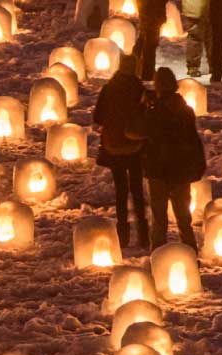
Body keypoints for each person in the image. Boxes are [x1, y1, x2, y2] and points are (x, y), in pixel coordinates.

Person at [144, 67, 206, 250]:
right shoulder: (185, 111)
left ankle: (157, 256)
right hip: (181, 170)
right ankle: (190, 252)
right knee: (183, 218)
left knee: (159, 220)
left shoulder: (155, 112)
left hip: (159, 171)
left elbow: (144, 131)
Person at [94, 52, 149, 251]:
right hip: (134, 146)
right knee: (136, 190)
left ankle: (122, 235)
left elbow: (98, 117)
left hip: (113, 145)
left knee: (120, 191)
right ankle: (143, 235)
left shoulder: (109, 88)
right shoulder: (138, 89)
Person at [135, 0, 167, 76]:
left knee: (145, 42)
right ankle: (146, 73)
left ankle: (136, 69)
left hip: (150, 16)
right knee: (149, 46)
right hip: (152, 17)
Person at [182, 0, 208, 76]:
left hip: (194, 8)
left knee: (210, 36)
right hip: (196, 9)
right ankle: (193, 67)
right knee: (195, 37)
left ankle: (193, 66)